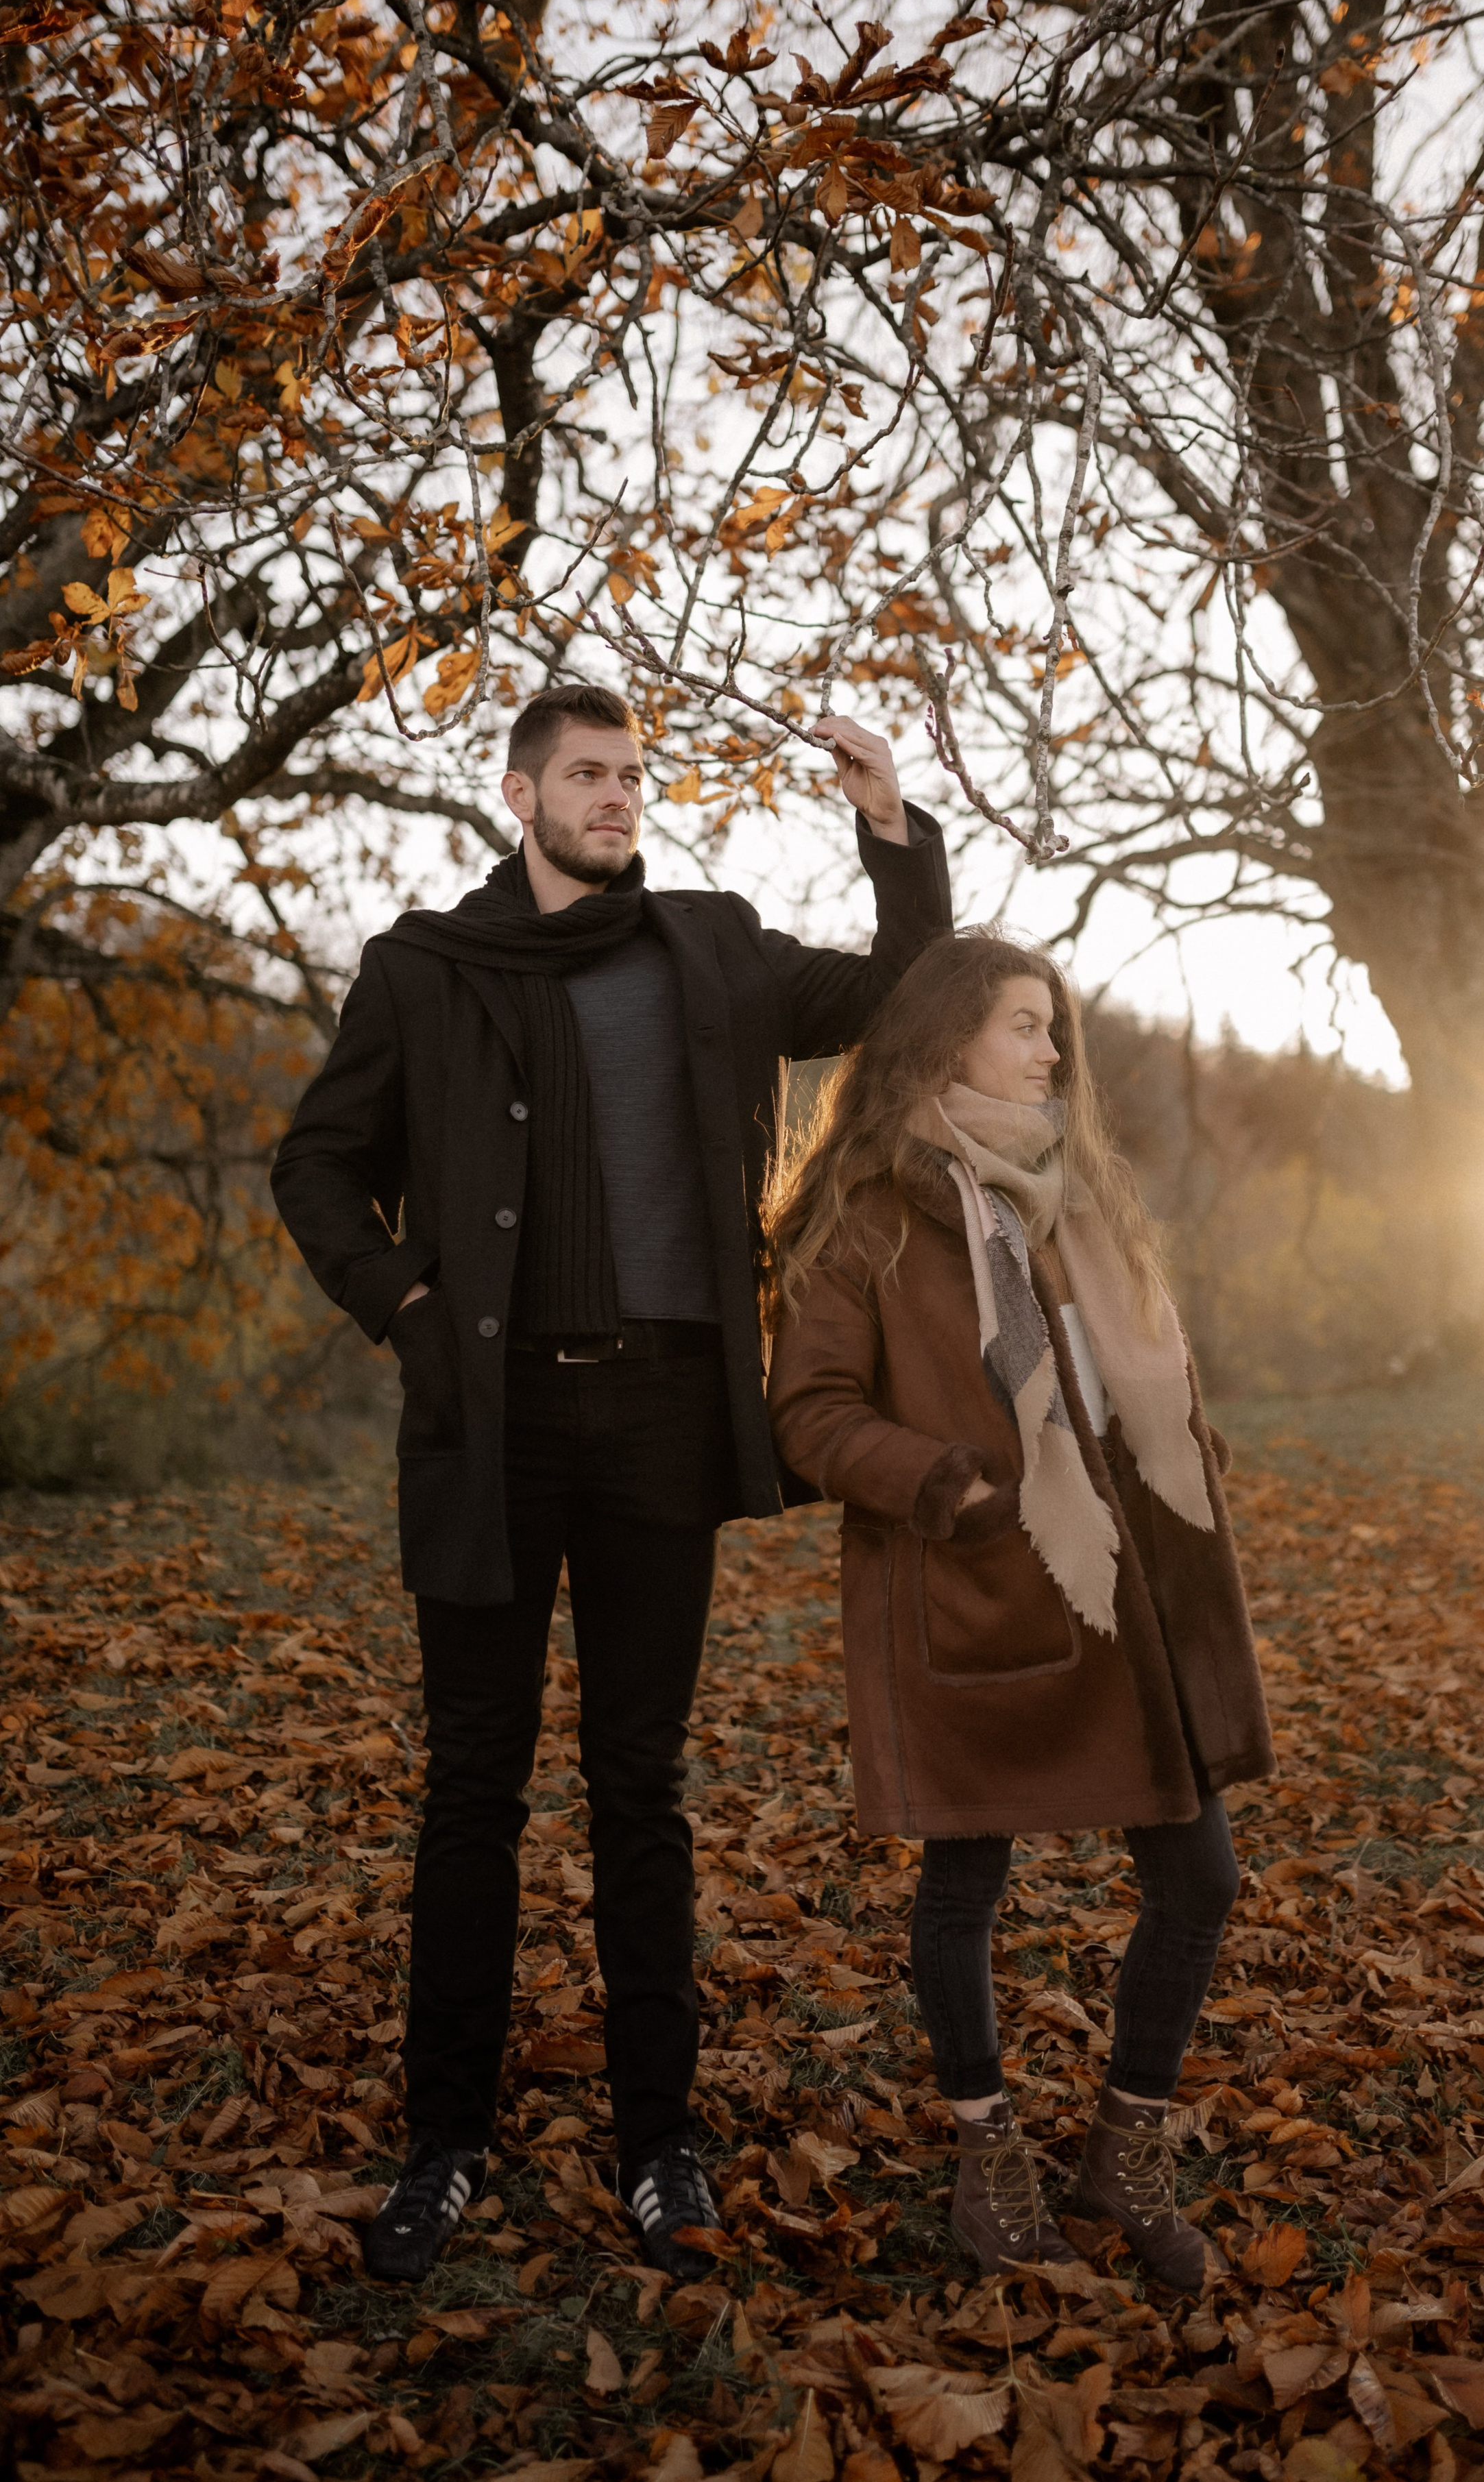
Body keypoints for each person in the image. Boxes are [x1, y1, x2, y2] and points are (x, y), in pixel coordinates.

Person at [271, 679, 951, 2285]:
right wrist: (403, 1307)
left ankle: (660, 2142)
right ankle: (443, 2141)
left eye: (630, 774)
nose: (616, 795)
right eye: (585, 774)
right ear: (519, 794)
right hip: (492, 1423)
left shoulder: (711, 947)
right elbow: (316, 1163)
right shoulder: (426, 967)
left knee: (640, 1788)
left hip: (660, 1418)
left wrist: (889, 826)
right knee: (474, 1788)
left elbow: (901, 997)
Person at [765, 932, 1276, 2283]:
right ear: (946, 1039)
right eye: (1024, 1025)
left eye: (1054, 1026)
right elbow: (809, 1413)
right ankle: (986, 2153)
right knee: (965, 1883)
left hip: (1127, 1582)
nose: (1054, 1052)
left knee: (1199, 1877)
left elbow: (1124, 1371)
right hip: (980, 1578)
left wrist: (1179, 1448)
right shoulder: (869, 1214)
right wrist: (951, 1487)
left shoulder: (1073, 1193)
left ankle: (1124, 2155)